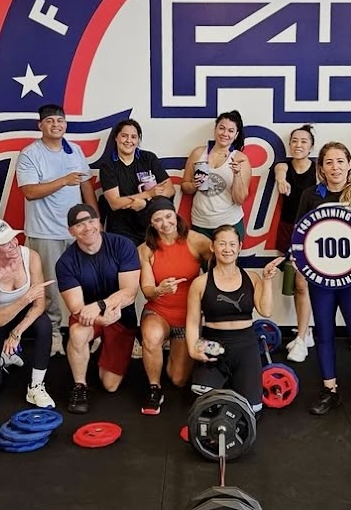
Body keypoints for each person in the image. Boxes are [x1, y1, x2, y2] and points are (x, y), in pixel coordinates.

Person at [294, 142, 351, 429]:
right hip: (321, 278)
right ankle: (330, 390)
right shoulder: (311, 195)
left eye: (340, 161)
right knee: (324, 333)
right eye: (329, 162)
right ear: (321, 168)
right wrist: (299, 258)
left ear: (349, 164)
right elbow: (300, 231)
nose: (335, 167)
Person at [16, 104, 100, 358]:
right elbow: (29, 191)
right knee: (50, 289)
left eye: (60, 120)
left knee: (89, 282)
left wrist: (95, 219)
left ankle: (92, 330)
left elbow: (86, 186)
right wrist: (63, 180)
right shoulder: (30, 154)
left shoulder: (74, 150)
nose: (56, 124)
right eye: (50, 120)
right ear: (40, 125)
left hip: (78, 232)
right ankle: (52, 334)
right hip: (45, 232)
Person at [186, 225, 282, 415]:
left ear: (239, 247)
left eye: (232, 244)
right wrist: (192, 349)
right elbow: (192, 322)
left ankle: (237, 383)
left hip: (245, 346)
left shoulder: (252, 278)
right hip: (213, 344)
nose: (227, 249)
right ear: (212, 246)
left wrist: (267, 280)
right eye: (222, 244)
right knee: (205, 407)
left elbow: (266, 311)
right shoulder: (200, 283)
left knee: (252, 410)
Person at [57, 205, 141, 414]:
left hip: (120, 315)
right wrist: (97, 318)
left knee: (110, 385)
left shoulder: (123, 245)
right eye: (79, 224)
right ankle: (80, 386)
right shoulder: (66, 262)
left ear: (99, 222)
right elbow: (76, 307)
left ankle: (98, 353)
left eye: (91, 221)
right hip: (88, 317)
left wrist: (100, 306)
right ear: (71, 231)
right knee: (77, 334)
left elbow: (129, 293)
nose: (87, 228)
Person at [138, 197, 211, 415]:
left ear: (176, 215)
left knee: (178, 379)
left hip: (187, 316)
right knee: (151, 337)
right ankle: (154, 388)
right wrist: (160, 289)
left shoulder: (196, 241)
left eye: (168, 216)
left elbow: (220, 267)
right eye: (158, 220)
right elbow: (147, 290)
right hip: (158, 310)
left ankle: (183, 349)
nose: (165, 223)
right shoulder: (145, 249)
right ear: (151, 224)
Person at [0, 220, 55, 407]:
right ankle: (4, 357)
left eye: (13, 238)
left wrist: (16, 333)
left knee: (44, 325)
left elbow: (39, 305)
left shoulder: (31, 257)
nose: (13, 244)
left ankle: (36, 386)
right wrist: (26, 298)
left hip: (24, 315)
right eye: (5, 242)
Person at [273, 124, 316, 362]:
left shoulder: (319, 170)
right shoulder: (283, 166)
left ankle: (301, 339)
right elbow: (280, 171)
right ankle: (305, 331)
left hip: (312, 231)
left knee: (302, 283)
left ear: (311, 146)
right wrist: (281, 180)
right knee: (295, 284)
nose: (298, 145)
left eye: (304, 141)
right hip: (289, 229)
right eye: (294, 141)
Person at [99, 119, 173, 246]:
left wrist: (145, 203)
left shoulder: (148, 158)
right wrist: (147, 194)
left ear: (138, 140)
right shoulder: (108, 165)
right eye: (124, 136)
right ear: (116, 138)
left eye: (133, 137)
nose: (129, 140)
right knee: (128, 258)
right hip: (122, 228)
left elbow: (170, 189)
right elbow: (115, 203)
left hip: (150, 225)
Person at [179, 111, 252, 239]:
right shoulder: (198, 153)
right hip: (200, 223)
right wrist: (194, 185)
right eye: (221, 128)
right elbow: (185, 187)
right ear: (215, 129)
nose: (225, 133)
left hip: (230, 223)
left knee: (227, 253)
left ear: (236, 135)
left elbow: (239, 200)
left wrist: (237, 174)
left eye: (230, 131)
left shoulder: (240, 159)